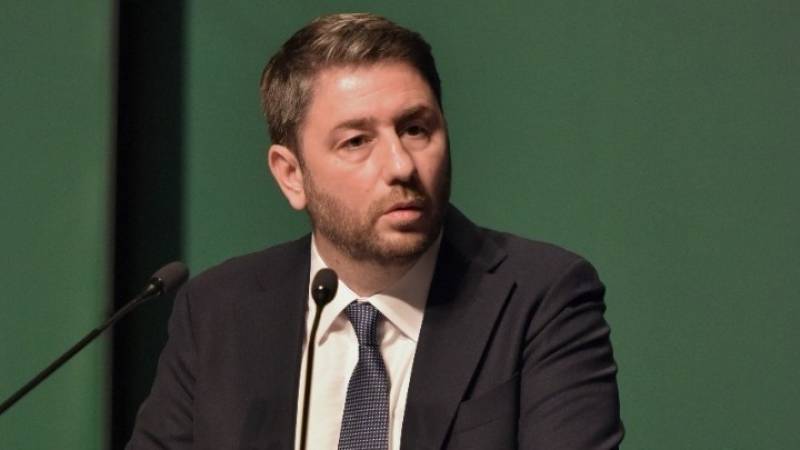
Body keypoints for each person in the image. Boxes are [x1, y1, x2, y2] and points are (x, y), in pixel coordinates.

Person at [127, 12, 623, 450]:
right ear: (291, 175)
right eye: (357, 141)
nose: (401, 165)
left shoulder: (540, 297)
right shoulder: (219, 311)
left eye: (415, 129)